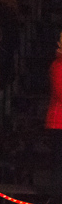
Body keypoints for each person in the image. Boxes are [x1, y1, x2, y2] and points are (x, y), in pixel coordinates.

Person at [45, 30, 62, 194]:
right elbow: (60, 93)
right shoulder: (58, 65)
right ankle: (57, 200)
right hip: (59, 122)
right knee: (59, 164)